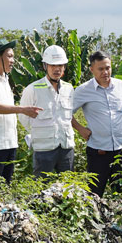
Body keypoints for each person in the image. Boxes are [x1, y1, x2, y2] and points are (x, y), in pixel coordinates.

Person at [72, 51, 122, 197]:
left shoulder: (121, 85)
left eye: (108, 68)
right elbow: (65, 113)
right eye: (100, 69)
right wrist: (80, 129)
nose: (105, 72)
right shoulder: (83, 90)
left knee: (121, 193)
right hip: (98, 151)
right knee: (95, 194)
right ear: (92, 70)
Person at [0, 39, 41, 183]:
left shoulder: (5, 79)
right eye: (9, 56)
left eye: (12, 56)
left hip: (9, 142)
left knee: (5, 186)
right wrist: (22, 109)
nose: (12, 60)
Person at [19, 45, 75, 177]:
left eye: (60, 65)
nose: (57, 69)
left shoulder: (69, 88)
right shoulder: (32, 89)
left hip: (66, 148)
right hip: (43, 149)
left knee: (69, 188)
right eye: (52, 65)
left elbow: (69, 116)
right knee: (41, 188)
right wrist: (39, 134)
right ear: (45, 66)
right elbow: (23, 118)